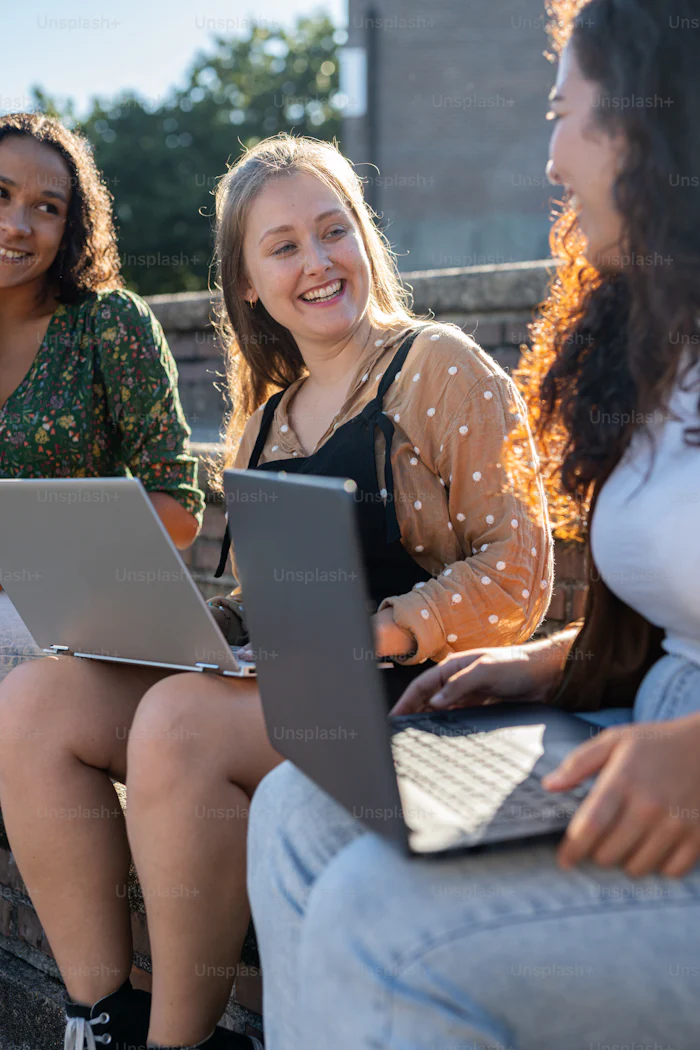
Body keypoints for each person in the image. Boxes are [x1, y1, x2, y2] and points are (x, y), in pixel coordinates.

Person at [0, 134, 552, 1050]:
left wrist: (373, 635)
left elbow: (521, 571)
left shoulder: (440, 365)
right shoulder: (263, 423)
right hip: (298, 684)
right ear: (247, 283)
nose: (318, 261)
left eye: (333, 231)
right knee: (38, 696)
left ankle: (181, 1043)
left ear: (366, 241)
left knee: (178, 722)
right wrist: (193, 626)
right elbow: (267, 602)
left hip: (413, 697)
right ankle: (100, 1017)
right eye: (283, 245)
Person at [246, 2, 700, 1048]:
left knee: (379, 919)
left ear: (658, 125)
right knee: (291, 810)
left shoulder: (433, 367)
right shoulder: (652, 337)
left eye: (565, 116)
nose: (551, 161)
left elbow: (512, 560)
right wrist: (550, 662)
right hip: (634, 725)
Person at [0, 112, 204, 681]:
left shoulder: (108, 324)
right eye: (1, 193)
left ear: (71, 227)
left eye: (47, 207)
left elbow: (180, 510)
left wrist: (27, 556)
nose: (17, 224)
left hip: (77, 614)